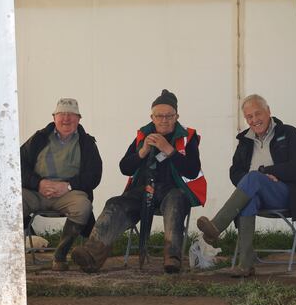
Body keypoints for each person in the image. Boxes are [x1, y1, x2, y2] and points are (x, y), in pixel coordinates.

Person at [71, 89, 206, 274]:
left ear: (177, 116)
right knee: (115, 203)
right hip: (143, 190)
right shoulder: (143, 135)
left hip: (173, 190)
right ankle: (91, 255)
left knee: (176, 200)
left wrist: (169, 150)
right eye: (159, 116)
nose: (164, 120)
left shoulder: (188, 137)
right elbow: (124, 167)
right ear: (152, 117)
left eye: (169, 116)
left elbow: (192, 170)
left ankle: (172, 257)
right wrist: (142, 152)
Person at [196, 94, 296, 277]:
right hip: (257, 194)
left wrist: (267, 173)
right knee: (249, 196)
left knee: (254, 177)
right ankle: (245, 265)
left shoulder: (288, 133)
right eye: (249, 117)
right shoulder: (244, 141)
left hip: (286, 193)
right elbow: (234, 172)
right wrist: (257, 178)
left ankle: (217, 226)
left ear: (269, 112)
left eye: (258, 114)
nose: (255, 120)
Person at [20, 98, 103, 271]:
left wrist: (68, 186)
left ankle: (60, 254)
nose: (66, 118)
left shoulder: (86, 143)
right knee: (10, 202)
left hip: (68, 193)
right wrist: (39, 183)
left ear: (79, 118)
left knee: (82, 205)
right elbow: (17, 164)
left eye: (71, 115)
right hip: (36, 192)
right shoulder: (38, 139)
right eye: (61, 114)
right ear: (54, 117)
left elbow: (94, 175)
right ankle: (7, 253)